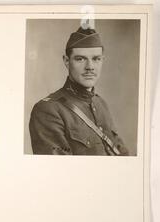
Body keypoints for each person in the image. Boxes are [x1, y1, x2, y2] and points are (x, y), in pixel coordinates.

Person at [29, 25, 129, 156]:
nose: (90, 67)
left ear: (102, 61)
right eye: (80, 59)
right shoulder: (48, 110)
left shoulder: (101, 104)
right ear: (66, 61)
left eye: (96, 59)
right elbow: (58, 171)